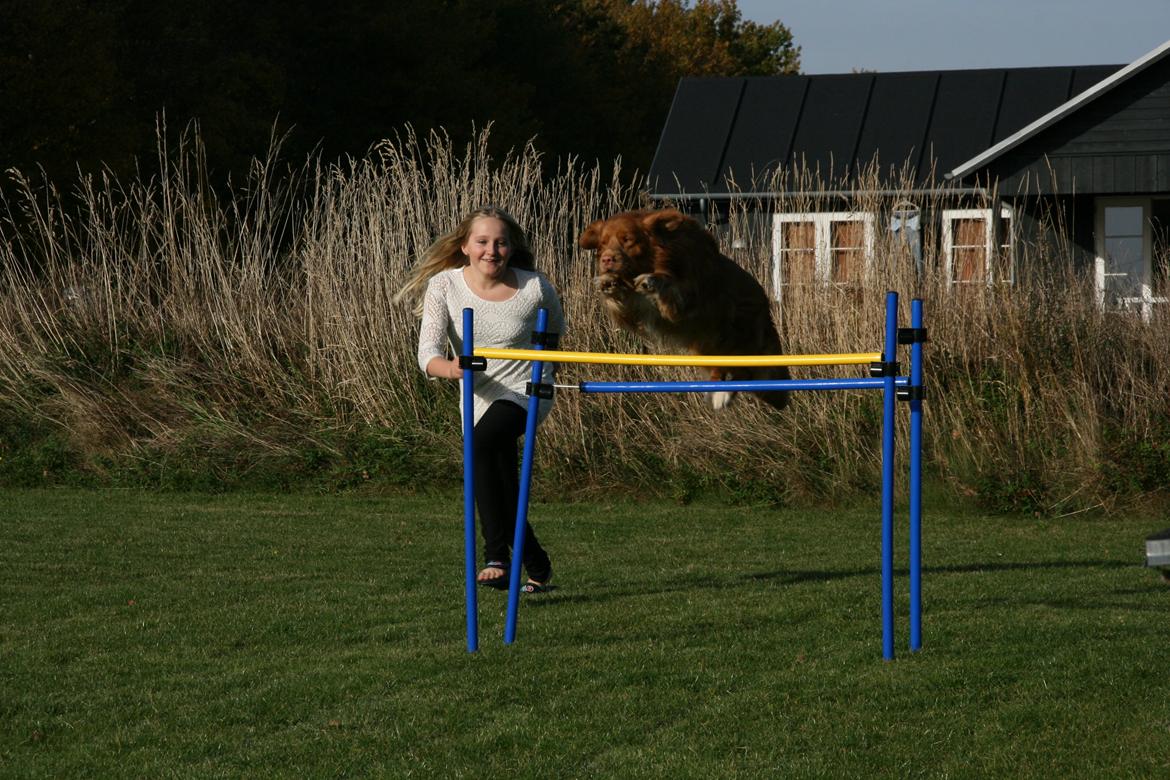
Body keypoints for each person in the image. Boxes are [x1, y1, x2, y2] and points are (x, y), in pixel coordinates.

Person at [397, 206, 564, 594]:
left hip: (527, 391)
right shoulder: (444, 286)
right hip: (476, 396)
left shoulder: (535, 287)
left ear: (510, 248)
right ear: (465, 246)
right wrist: (452, 369)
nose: (492, 250)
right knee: (499, 477)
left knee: (482, 444)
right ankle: (536, 563)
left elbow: (556, 332)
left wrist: (547, 367)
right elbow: (427, 354)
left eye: (501, 243)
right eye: (483, 242)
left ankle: (496, 558)